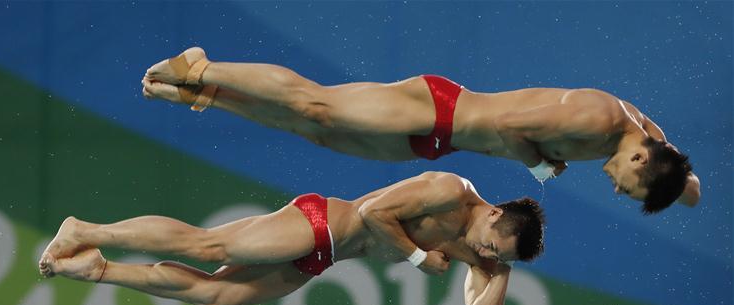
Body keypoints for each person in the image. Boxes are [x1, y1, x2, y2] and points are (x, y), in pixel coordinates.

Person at [142, 48, 700, 213]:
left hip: (438, 140)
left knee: (315, 134)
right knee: (317, 107)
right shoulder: (598, 122)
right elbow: (506, 124)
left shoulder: (640, 139)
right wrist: (534, 164)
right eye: (634, 190)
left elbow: (680, 176)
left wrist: (686, 187)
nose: (619, 192)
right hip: (437, 110)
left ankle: (211, 97)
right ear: (638, 162)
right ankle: (202, 67)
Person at [38, 172, 545, 305]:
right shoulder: (448, 191)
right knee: (207, 243)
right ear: (495, 213)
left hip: (322, 259)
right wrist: (416, 257)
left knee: (214, 299)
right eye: (492, 244)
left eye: (495, 254)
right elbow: (372, 215)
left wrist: (502, 269)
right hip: (318, 224)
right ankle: (87, 229)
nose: (484, 251)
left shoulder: (485, 251)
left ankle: (98, 269)